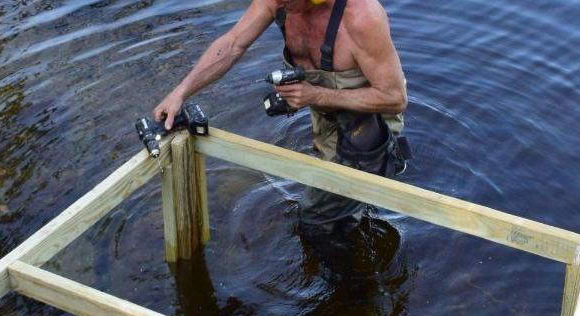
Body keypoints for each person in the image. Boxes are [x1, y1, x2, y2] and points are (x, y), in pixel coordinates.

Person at [153, 0, 410, 242]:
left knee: (314, 218)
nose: (277, 2)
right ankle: (353, 208)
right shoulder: (279, 2)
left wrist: (316, 94)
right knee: (339, 205)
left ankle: (352, 279)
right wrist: (180, 92)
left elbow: (394, 97)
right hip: (325, 114)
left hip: (369, 122)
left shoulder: (361, 17)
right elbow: (232, 44)